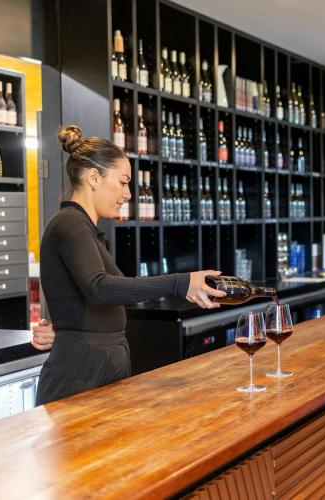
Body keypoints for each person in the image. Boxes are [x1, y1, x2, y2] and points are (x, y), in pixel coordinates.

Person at [34, 125, 226, 405]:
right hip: (79, 376)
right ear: (94, 177)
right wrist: (179, 282)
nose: (128, 195)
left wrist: (63, 328)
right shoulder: (70, 224)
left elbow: (86, 299)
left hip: (94, 370)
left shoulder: (85, 229)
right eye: (123, 182)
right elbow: (99, 288)